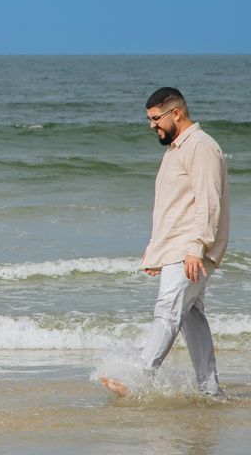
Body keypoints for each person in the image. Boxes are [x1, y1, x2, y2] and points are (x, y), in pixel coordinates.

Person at [101, 88, 229, 398]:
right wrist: (156, 248)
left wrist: (196, 247)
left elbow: (208, 201)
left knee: (168, 311)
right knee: (191, 318)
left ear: (176, 114)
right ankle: (210, 391)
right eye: (149, 119)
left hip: (191, 250)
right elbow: (174, 206)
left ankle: (138, 377)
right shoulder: (176, 149)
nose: (151, 125)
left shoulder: (199, 146)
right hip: (179, 249)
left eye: (155, 118)